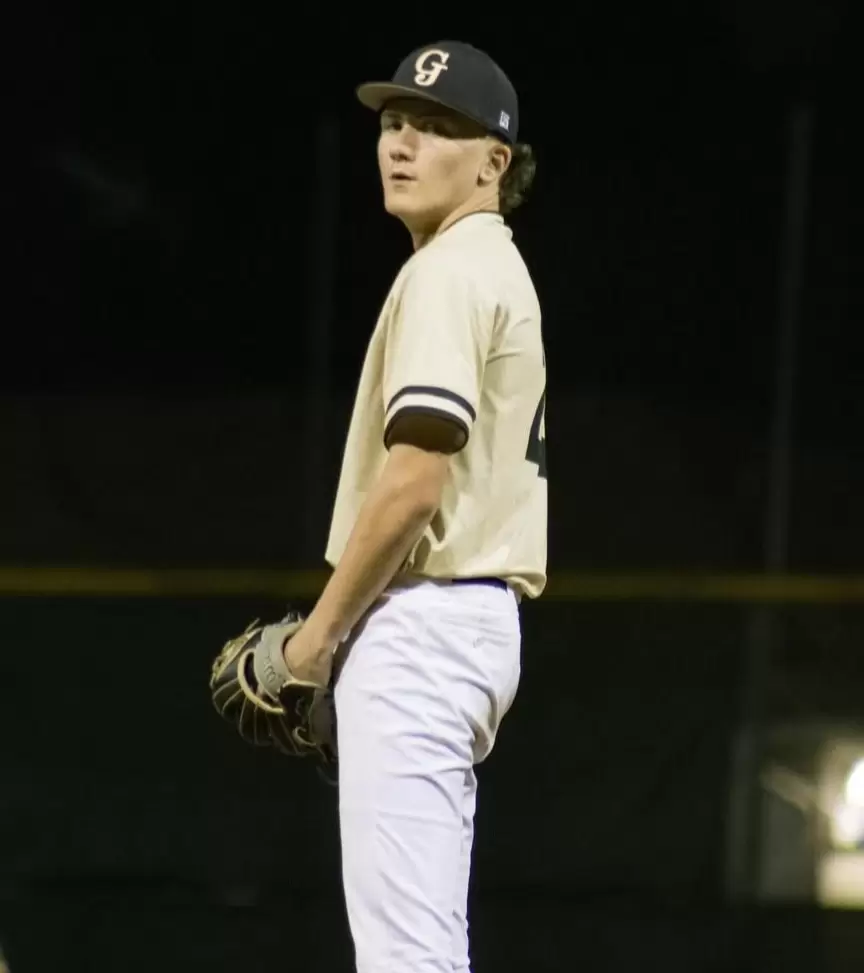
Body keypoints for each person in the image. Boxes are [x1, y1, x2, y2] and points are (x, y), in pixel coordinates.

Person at [280, 40, 547, 971]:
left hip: (424, 620)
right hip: (463, 621)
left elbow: (415, 480)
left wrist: (315, 642)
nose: (401, 143)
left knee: (407, 955)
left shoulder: (447, 272)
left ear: (493, 161)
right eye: (395, 122)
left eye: (436, 128)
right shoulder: (491, 266)